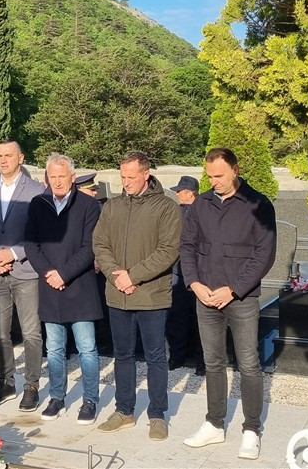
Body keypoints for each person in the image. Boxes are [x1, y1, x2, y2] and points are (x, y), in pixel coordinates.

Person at [179, 147, 276, 460]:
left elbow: (264, 254)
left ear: (236, 169)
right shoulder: (201, 204)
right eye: (209, 176)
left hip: (241, 298)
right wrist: (194, 283)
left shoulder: (258, 204)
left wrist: (233, 290)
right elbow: (187, 245)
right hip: (204, 296)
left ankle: (251, 429)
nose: (214, 181)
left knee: (248, 363)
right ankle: (214, 424)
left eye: (219, 175)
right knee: (213, 362)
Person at [93, 151, 182, 441]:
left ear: (146, 174)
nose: (126, 182)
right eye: (122, 177)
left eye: (131, 177)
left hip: (151, 295)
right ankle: (124, 411)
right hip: (117, 293)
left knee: (155, 356)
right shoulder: (112, 206)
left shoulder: (166, 207)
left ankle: (157, 414)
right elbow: (100, 244)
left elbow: (168, 250)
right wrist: (116, 275)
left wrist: (133, 276)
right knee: (122, 354)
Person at [24, 154, 103, 425]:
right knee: (55, 348)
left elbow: (89, 246)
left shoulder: (89, 205)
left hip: (79, 285)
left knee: (87, 348)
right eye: (53, 177)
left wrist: (64, 274)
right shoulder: (38, 204)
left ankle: (90, 399)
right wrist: (48, 273)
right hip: (50, 285)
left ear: (73, 177)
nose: (57, 182)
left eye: (62, 176)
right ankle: (56, 397)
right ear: (47, 179)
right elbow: (31, 244)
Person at [0, 139, 44, 411]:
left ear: (20, 158)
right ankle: (6, 382)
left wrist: (13, 253)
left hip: (25, 271)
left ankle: (31, 386)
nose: (3, 160)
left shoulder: (36, 191)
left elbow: (41, 233)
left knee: (31, 333)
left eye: (8, 155)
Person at [166, 175, 205, 376]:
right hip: (178, 270)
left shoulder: (204, 211)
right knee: (177, 316)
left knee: (201, 319)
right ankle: (177, 356)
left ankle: (202, 360)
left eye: (180, 191)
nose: (177, 194)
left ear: (190, 193)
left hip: (199, 273)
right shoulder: (175, 211)